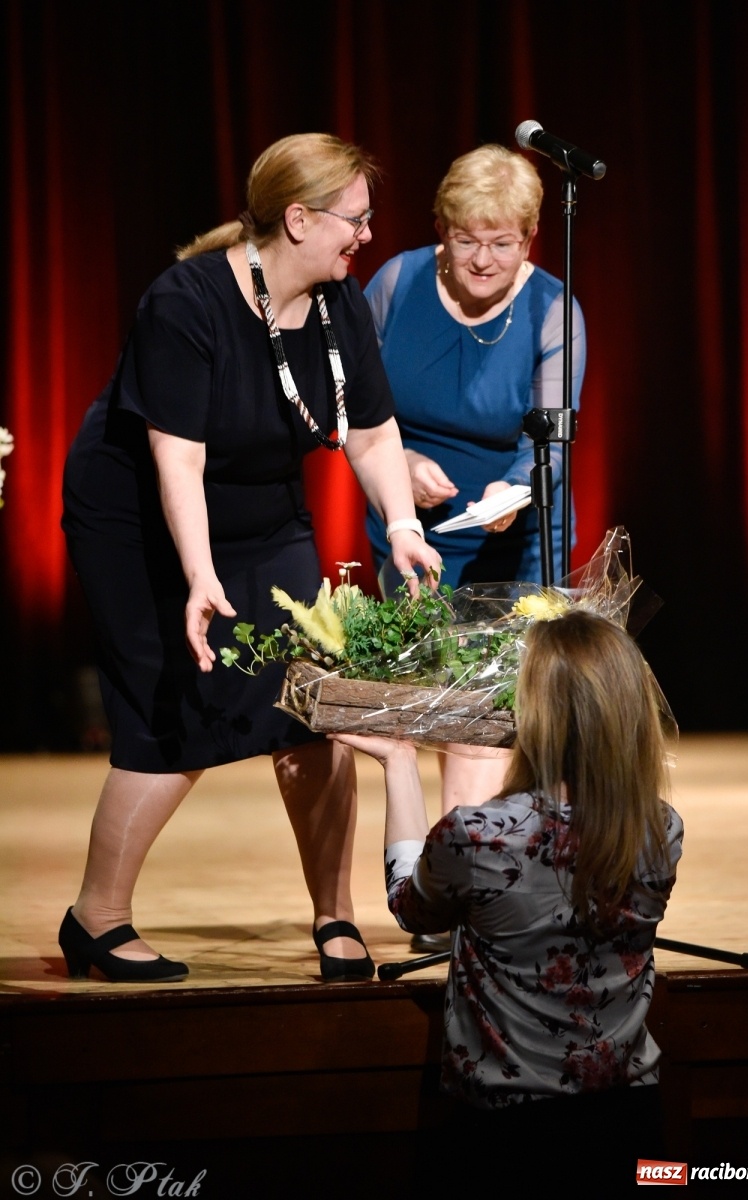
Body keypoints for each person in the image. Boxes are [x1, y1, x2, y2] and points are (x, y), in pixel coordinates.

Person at [59, 132, 441, 985]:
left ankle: (334, 914)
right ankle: (98, 918)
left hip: (262, 511)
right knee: (174, 709)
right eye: (356, 219)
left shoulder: (337, 303)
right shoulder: (185, 302)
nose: (367, 236)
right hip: (141, 522)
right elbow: (177, 459)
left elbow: (372, 431)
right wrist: (199, 574)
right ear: (297, 219)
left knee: (312, 700)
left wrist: (401, 523)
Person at [334, 610, 682, 1180]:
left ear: (533, 716)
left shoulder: (479, 834)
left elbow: (409, 904)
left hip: (503, 1136)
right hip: (633, 1121)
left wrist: (398, 760)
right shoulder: (661, 829)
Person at [363, 144, 588, 870]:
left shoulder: (554, 307)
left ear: (527, 239)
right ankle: (439, 879)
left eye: (500, 243)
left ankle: (467, 885)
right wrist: (395, 463)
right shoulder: (396, 281)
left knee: (480, 723)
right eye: (466, 241)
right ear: (441, 230)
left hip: (512, 531)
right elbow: (351, 404)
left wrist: (514, 487)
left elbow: (551, 441)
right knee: (424, 705)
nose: (483, 260)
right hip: (413, 530)